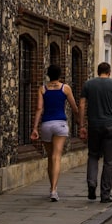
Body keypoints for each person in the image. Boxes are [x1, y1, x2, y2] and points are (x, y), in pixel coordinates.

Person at [78, 62, 112, 203]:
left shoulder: (88, 84)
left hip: (94, 126)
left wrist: (82, 125)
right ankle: (105, 194)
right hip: (110, 126)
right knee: (109, 160)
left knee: (93, 155)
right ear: (109, 72)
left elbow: (81, 105)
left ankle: (92, 183)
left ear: (98, 71)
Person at [30, 64, 78, 201]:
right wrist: (80, 122)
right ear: (60, 75)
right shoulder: (65, 88)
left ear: (48, 75)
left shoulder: (43, 89)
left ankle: (52, 187)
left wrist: (34, 128)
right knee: (57, 157)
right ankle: (53, 190)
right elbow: (74, 107)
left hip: (46, 124)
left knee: (50, 157)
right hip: (60, 124)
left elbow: (39, 108)